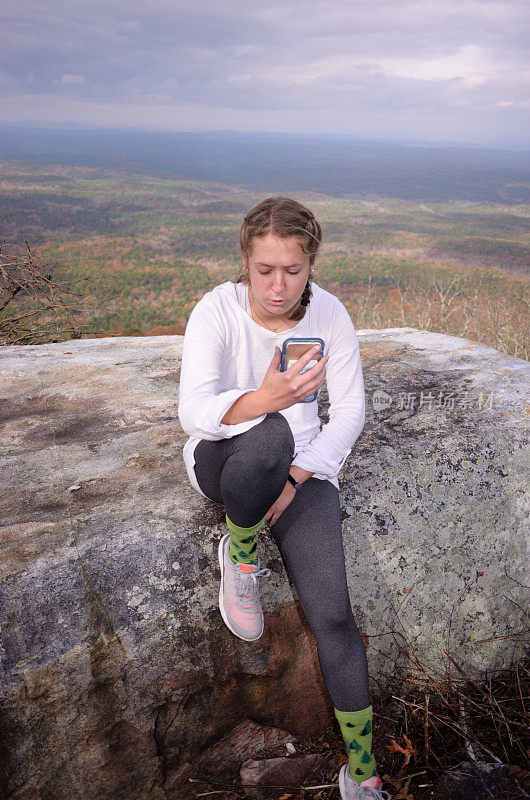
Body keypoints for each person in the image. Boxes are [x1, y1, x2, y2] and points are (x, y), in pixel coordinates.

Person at [178, 196, 392, 800]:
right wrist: (267, 399)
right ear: (245, 263)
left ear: (311, 263)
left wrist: (300, 477)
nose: (278, 286)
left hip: (299, 471)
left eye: (292, 271)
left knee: (334, 618)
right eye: (264, 270)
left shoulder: (329, 314)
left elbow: (350, 410)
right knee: (270, 432)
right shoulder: (215, 312)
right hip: (225, 454)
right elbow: (193, 410)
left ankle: (364, 773)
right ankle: (239, 549)